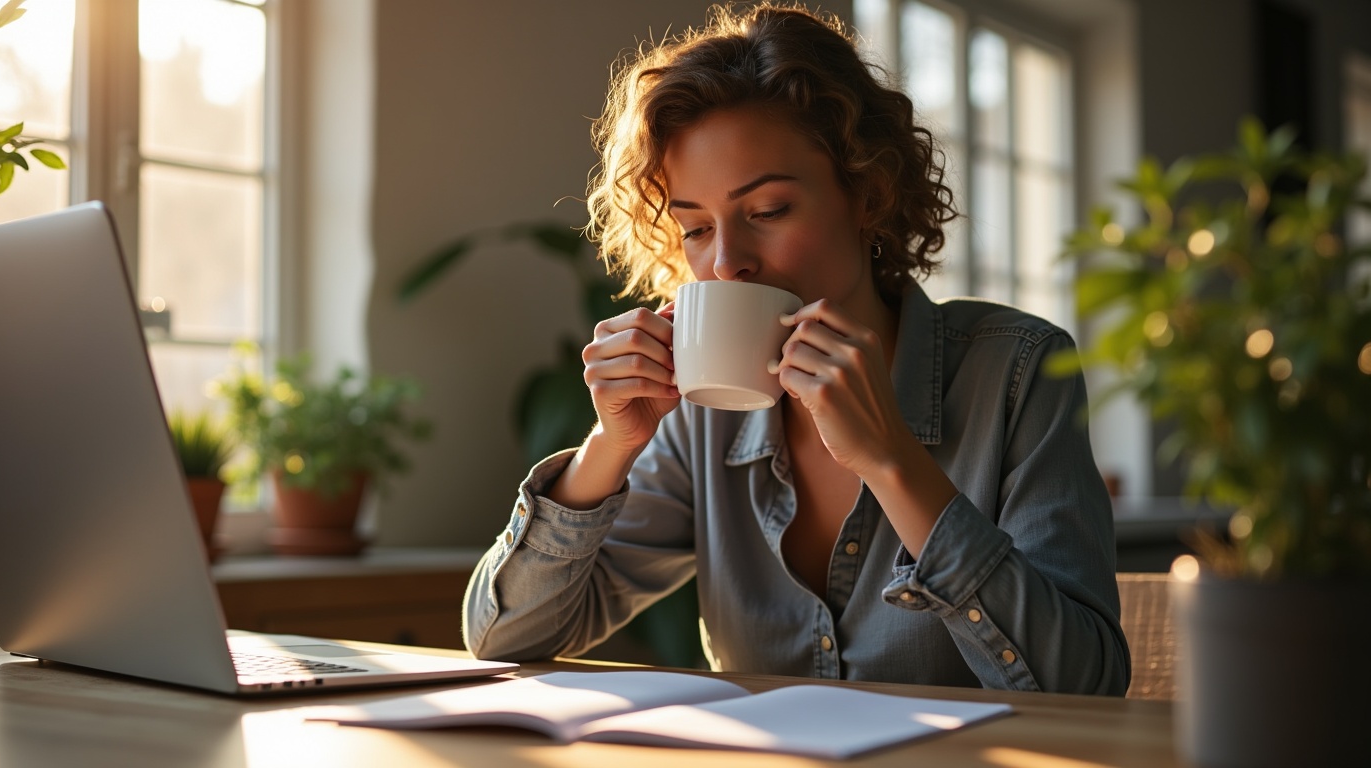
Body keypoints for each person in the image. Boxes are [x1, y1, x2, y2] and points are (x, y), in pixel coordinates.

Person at [463, 2, 1130, 695]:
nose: (726, 262)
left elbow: (1085, 685)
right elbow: (502, 636)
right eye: (696, 228)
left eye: (768, 212)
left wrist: (893, 460)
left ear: (867, 194)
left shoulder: (1017, 373)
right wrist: (610, 444)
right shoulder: (700, 414)